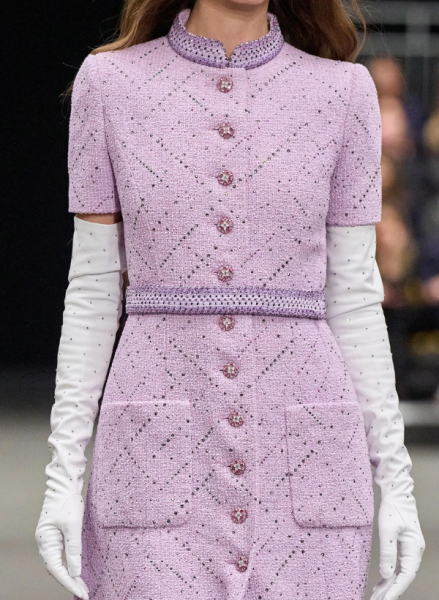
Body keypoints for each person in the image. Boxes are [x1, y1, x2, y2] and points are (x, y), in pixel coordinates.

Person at [35, 1, 425, 600]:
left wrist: (396, 482)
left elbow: (354, 298)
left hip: (307, 462)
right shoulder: (110, 84)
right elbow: (92, 289)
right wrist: (62, 476)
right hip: (153, 459)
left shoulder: (343, 93)